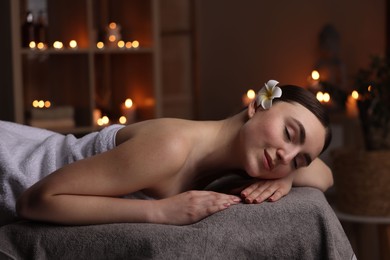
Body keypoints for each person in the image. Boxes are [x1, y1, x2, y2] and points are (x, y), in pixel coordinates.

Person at [15, 80, 333, 226]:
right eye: (289, 134)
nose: (286, 155)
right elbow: (36, 201)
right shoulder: (171, 147)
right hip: (15, 165)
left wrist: (288, 177)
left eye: (298, 158)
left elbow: (326, 175)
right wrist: (161, 212)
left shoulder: (248, 161)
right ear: (255, 106)